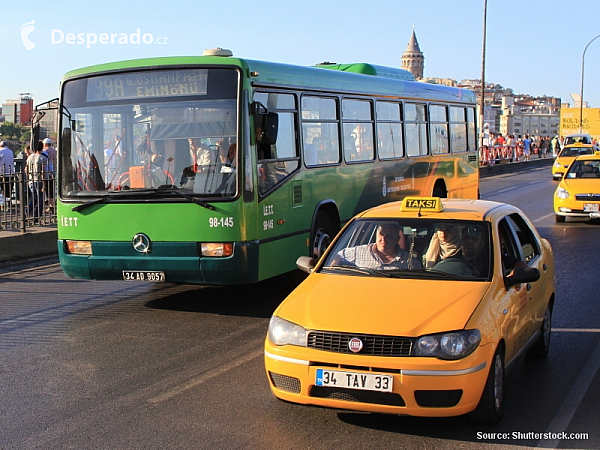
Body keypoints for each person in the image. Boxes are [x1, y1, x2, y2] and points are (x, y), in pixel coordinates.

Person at [335, 222, 422, 270]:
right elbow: (336, 258)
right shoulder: (357, 252)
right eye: (382, 234)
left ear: (397, 239)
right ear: (376, 235)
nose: (383, 238)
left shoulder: (410, 263)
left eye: (389, 235)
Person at [26, 141, 47, 218]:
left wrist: (28, 179)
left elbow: (26, 169)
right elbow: (43, 172)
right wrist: (44, 184)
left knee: (34, 198)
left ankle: (27, 211)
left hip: (31, 180)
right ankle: (37, 215)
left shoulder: (30, 157)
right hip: (39, 180)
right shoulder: (42, 158)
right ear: (42, 148)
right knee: (40, 199)